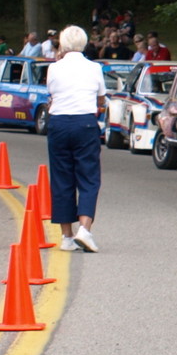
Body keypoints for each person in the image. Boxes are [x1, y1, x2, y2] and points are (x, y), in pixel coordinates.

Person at [45, 25, 107, 254]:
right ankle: (85, 229)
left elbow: (51, 93)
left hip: (59, 123)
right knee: (89, 177)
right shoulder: (94, 68)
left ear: (62, 44)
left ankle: (66, 236)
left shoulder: (53, 68)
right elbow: (101, 97)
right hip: (85, 122)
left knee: (62, 178)